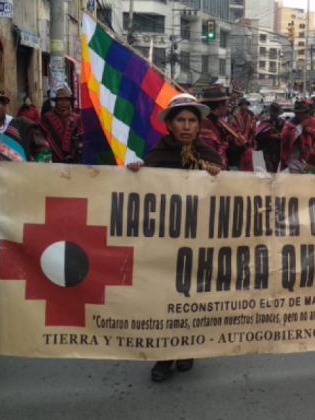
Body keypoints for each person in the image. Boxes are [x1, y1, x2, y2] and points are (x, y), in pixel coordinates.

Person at [125, 94, 221, 381]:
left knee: (190, 296)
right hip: (164, 244)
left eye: (192, 121)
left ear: (199, 125)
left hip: (198, 242)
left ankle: (187, 349)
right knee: (163, 297)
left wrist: (216, 175)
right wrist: (137, 174)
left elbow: (226, 193)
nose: (187, 126)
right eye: (181, 120)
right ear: (169, 125)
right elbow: (142, 197)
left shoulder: (209, 155)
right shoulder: (155, 156)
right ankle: (163, 356)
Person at [199, 85, 251, 171]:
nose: (227, 107)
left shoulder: (220, 123)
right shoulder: (205, 123)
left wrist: (236, 144)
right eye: (226, 103)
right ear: (219, 105)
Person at [41, 88, 83, 163]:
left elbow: (82, 135)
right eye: (60, 100)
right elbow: (40, 138)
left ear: (70, 102)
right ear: (56, 102)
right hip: (53, 158)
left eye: (66, 100)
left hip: (74, 158)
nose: (64, 103)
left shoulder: (77, 118)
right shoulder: (47, 118)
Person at [280, 100, 315, 174]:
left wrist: (312, 132)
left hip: (311, 162)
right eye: (297, 114)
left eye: (301, 114)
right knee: (296, 184)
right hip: (294, 162)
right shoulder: (289, 124)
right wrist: (300, 126)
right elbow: (286, 138)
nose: (298, 116)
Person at [255, 103, 286, 173]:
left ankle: (273, 183)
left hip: (278, 150)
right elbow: (258, 135)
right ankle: (271, 183)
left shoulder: (282, 122)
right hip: (268, 150)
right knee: (270, 170)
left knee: (275, 170)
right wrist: (270, 136)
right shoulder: (265, 122)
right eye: (273, 114)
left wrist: (281, 135)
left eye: (276, 114)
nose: (274, 115)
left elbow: (286, 134)